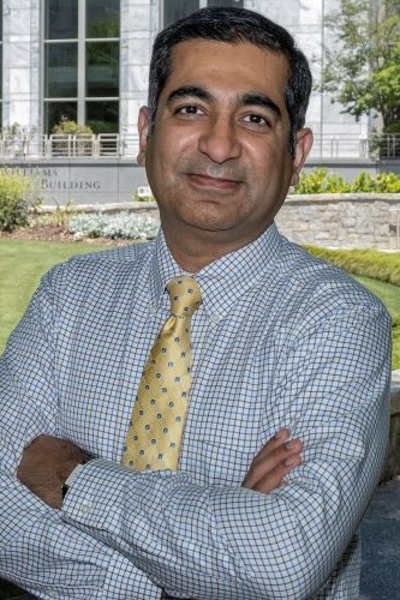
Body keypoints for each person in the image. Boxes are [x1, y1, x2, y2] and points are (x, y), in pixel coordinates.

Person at [0, 6, 391, 599]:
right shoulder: (67, 298)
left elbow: (283, 561)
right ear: (144, 132)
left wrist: (76, 480)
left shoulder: (339, 321)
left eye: (256, 118)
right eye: (190, 109)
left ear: (298, 154)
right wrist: (212, 543)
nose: (219, 144)